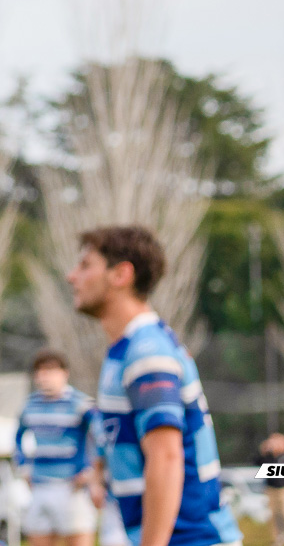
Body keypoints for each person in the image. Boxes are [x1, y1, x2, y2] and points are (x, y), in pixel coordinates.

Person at [66, 225, 239, 546]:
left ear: (121, 274)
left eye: (85, 265)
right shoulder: (127, 350)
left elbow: (166, 458)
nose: (71, 276)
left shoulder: (146, 352)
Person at [15, 349, 99, 546]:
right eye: (40, 371)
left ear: (64, 373)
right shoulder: (30, 405)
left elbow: (100, 435)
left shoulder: (81, 403)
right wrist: (23, 467)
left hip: (72, 487)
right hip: (40, 486)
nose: (45, 376)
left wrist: (90, 469)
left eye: (51, 371)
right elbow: (17, 438)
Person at [255, 433, 284, 546]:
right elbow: (257, 462)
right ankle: (277, 538)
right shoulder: (268, 457)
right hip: (271, 488)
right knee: (274, 515)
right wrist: (265, 450)